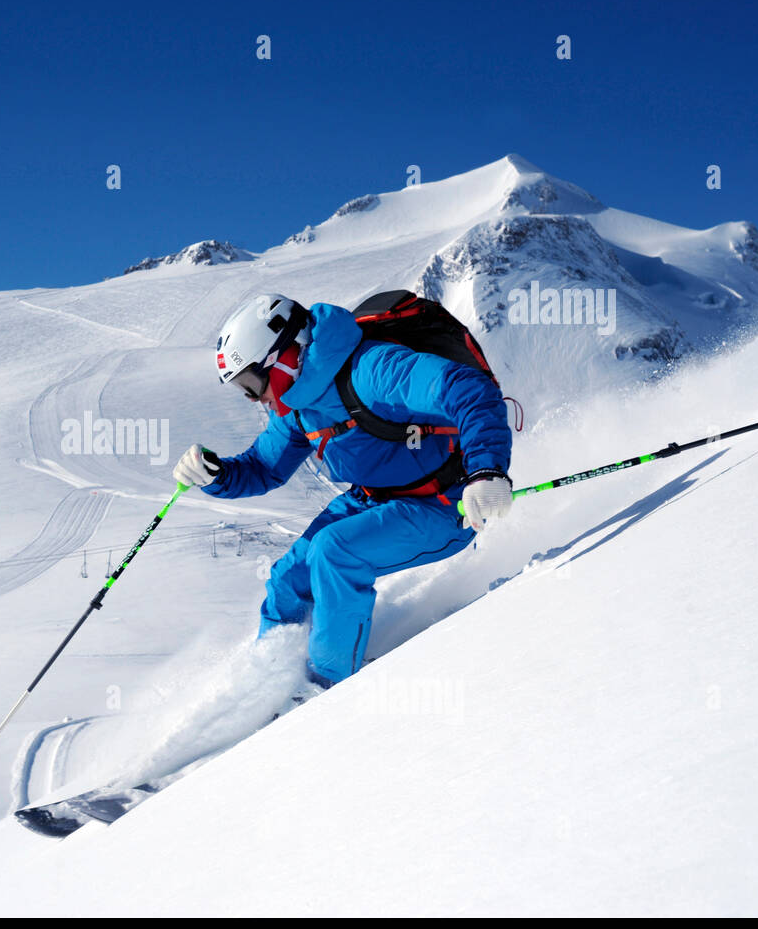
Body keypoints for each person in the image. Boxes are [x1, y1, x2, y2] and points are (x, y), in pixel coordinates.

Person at [174, 293, 513, 688]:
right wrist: (215, 475)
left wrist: (487, 469)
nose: (254, 398)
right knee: (287, 581)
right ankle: (268, 682)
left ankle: (325, 693)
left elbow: (467, 389)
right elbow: (264, 468)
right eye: (242, 390)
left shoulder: (371, 369)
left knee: (334, 552)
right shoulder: (296, 407)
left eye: (251, 383)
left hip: (444, 503)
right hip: (374, 498)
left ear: (284, 355)